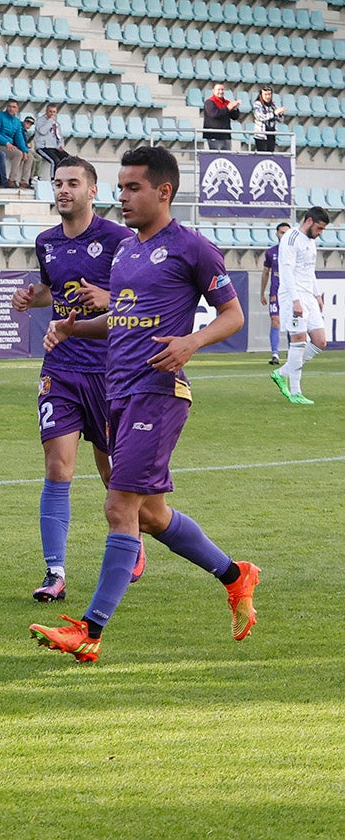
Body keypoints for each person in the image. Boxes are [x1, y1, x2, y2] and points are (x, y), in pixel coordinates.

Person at [30, 145, 255, 663]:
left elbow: (233, 314)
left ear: (164, 191)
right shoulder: (127, 251)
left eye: (133, 188)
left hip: (158, 391)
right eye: (121, 186)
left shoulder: (192, 248)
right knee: (152, 516)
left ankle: (89, 632)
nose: (122, 196)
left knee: (119, 507)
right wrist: (72, 327)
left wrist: (192, 342)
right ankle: (237, 575)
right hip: (118, 390)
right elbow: (121, 319)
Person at [10, 157, 133, 603]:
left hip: (109, 369)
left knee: (111, 469)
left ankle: (130, 534)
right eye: (58, 183)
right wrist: (31, 295)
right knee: (58, 467)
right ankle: (55, 573)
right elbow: (52, 289)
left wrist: (111, 297)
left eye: (72, 183)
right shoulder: (47, 242)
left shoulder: (119, 239)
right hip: (60, 365)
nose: (63, 190)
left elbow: (142, 295)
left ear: (92, 191)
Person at [270, 207, 331, 406]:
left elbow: (309, 270)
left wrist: (317, 293)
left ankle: (282, 373)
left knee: (320, 341)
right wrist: (295, 300)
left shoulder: (311, 242)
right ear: (309, 221)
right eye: (319, 228)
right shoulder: (291, 237)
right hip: (292, 295)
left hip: (308, 296)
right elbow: (286, 271)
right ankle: (295, 392)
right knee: (299, 341)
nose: (320, 233)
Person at [261, 221, 291, 365]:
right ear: (277, 234)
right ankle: (275, 354)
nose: (284, 235)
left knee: (292, 322)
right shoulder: (271, 252)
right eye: (282, 232)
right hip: (275, 293)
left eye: (287, 233)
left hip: (291, 293)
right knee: (275, 321)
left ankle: (293, 353)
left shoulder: (294, 251)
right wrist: (262, 293)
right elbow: (266, 273)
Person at [0, 99, 32, 189]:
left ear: (17, 109)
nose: (11, 109)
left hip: (9, 144)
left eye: (13, 107)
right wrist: (6, 142)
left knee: (29, 156)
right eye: (9, 106)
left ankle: (24, 182)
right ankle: (11, 180)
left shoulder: (16, 121)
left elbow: (19, 137)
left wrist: (25, 150)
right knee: (18, 154)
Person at [201, 83, 242, 150]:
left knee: (227, 157)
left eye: (222, 89)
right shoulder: (209, 102)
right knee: (216, 157)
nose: (221, 92)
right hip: (214, 135)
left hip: (226, 135)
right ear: (213, 91)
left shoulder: (227, 102)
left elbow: (235, 117)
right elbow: (214, 114)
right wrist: (228, 108)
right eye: (218, 89)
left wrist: (235, 108)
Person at [32, 103, 67, 179]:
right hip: (43, 147)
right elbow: (42, 131)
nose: (52, 114)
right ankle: (53, 179)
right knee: (55, 161)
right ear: (46, 111)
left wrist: (60, 145)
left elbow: (59, 136)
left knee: (68, 159)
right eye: (50, 111)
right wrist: (50, 121)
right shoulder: (40, 121)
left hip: (54, 147)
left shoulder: (56, 123)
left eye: (54, 112)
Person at [251, 86, 286, 153]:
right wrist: (274, 113)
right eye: (265, 94)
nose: (268, 97)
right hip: (261, 135)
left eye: (269, 94)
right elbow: (260, 117)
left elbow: (281, 120)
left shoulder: (273, 105)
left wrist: (280, 114)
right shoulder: (257, 104)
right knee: (262, 156)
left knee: (270, 155)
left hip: (272, 135)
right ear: (261, 95)